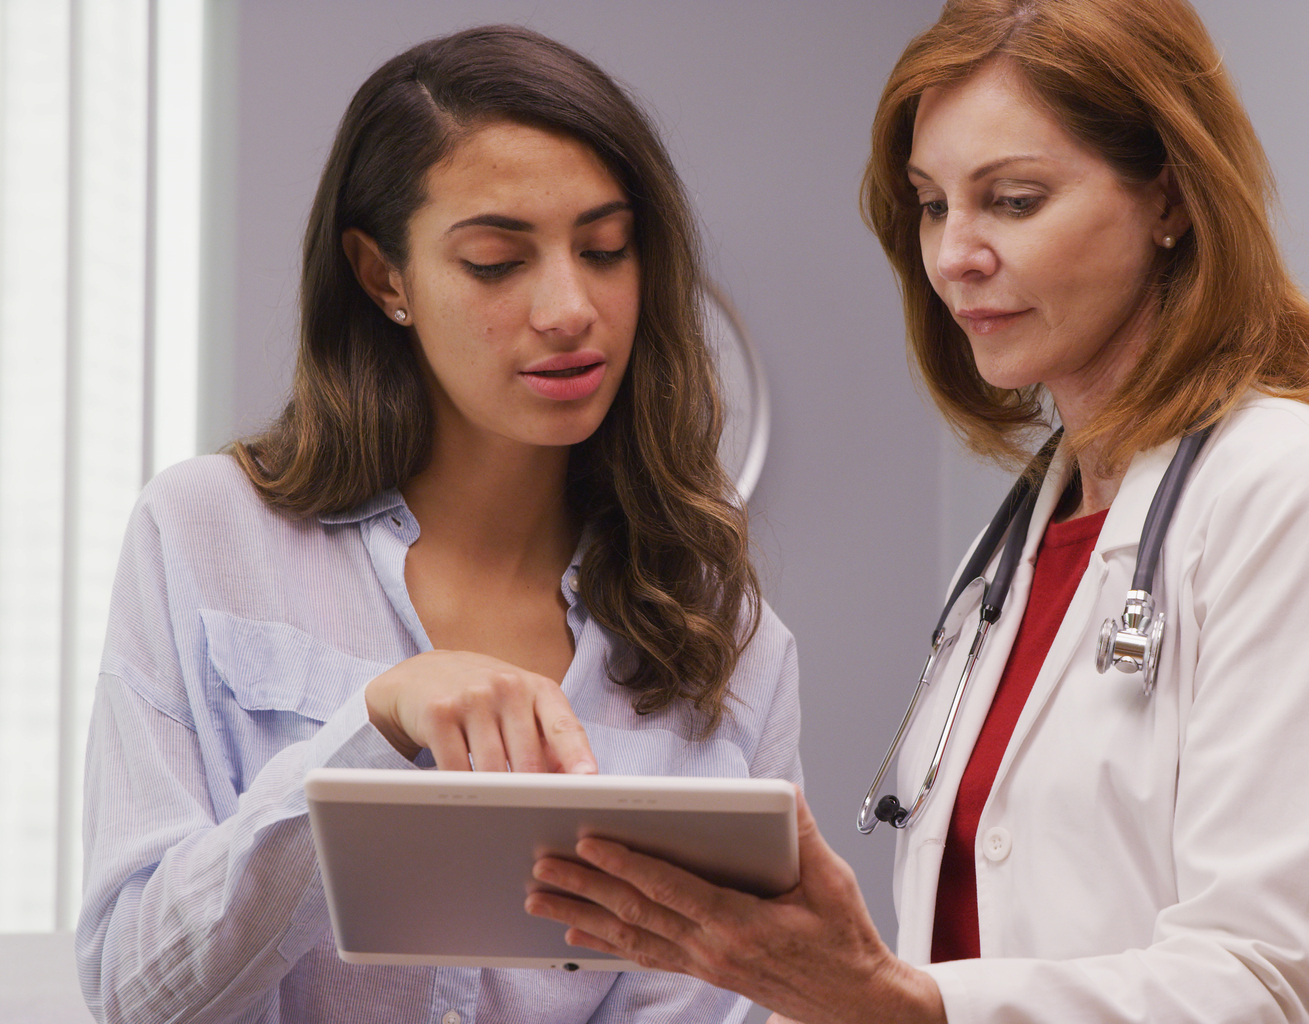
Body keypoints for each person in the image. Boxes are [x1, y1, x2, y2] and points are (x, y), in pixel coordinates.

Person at [523, 1, 1309, 1022]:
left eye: (1012, 200)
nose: (953, 255)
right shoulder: (1013, 548)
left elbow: (1267, 984)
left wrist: (901, 1001)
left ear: (1172, 198)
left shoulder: (1301, 497)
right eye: (931, 204)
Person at [75, 25, 800, 1024]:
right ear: (384, 279)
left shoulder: (728, 633)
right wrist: (368, 732)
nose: (569, 307)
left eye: (605, 250)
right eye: (498, 262)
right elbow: (137, 993)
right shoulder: (202, 536)